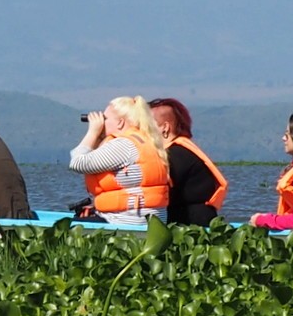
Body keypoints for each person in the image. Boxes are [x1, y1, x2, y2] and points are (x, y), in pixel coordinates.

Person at [69, 95, 170, 225]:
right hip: (150, 221)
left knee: (67, 228)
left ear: (120, 122)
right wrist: (99, 138)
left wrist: (93, 132)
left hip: (125, 222)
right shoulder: (145, 141)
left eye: (105, 118)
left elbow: (77, 163)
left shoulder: (124, 145)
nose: (101, 122)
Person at [149, 97, 227, 225]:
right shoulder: (181, 150)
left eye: (147, 126)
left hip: (191, 225)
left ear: (164, 127)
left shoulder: (177, 154)